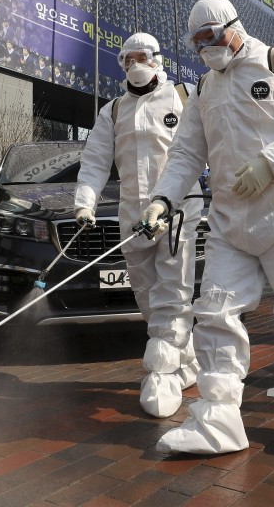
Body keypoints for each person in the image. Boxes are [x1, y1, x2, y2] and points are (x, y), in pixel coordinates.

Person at [141, 0, 274, 456]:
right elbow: (187, 153)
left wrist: (271, 163)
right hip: (231, 221)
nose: (205, 48)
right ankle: (217, 417)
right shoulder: (203, 90)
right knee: (213, 312)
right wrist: (161, 200)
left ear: (233, 26)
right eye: (196, 43)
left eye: (210, 37)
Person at [73, 32, 202, 419]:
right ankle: (187, 360)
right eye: (126, 59)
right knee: (147, 297)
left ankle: (161, 374)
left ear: (158, 58)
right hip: (133, 217)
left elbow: (209, 144)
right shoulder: (113, 111)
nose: (133, 65)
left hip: (178, 210)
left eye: (140, 56)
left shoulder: (185, 96)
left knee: (173, 291)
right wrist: (85, 204)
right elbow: (95, 161)